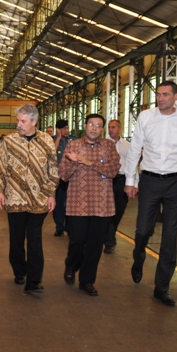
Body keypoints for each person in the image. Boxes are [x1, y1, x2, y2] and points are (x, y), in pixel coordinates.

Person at [124, 80, 177, 306]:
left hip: (176, 182)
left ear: (176, 96)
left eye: (165, 94)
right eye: (158, 94)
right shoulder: (146, 117)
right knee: (143, 230)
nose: (160, 98)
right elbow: (134, 149)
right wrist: (130, 180)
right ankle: (139, 255)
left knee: (170, 235)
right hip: (149, 180)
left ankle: (162, 287)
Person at [0, 104, 59, 293]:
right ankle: (19, 271)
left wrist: (51, 194)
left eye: (23, 121)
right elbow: (0, 167)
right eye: (18, 121)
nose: (19, 124)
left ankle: (34, 281)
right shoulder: (9, 141)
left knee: (35, 240)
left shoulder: (46, 141)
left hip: (39, 200)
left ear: (34, 121)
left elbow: (53, 170)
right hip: (14, 199)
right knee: (16, 240)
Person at [59, 114, 120, 296]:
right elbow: (63, 174)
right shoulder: (73, 145)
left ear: (102, 129)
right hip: (78, 202)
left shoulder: (109, 146)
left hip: (102, 205)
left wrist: (88, 162)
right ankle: (71, 265)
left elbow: (113, 170)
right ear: (85, 126)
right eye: (91, 124)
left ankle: (87, 281)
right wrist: (73, 162)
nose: (94, 128)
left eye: (98, 125)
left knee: (95, 245)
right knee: (77, 240)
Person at [103, 119, 134, 254]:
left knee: (119, 210)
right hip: (107, 179)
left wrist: (133, 184)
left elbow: (132, 165)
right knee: (107, 210)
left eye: (113, 127)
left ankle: (110, 233)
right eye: (109, 127)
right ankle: (109, 241)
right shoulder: (103, 144)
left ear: (120, 129)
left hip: (122, 179)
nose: (111, 130)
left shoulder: (127, 146)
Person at [52, 119, 76, 236]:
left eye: (67, 128)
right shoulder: (52, 140)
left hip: (72, 177)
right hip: (58, 177)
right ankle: (60, 227)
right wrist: (57, 137)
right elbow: (51, 153)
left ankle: (70, 227)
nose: (66, 130)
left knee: (71, 203)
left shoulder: (73, 140)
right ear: (58, 130)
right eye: (64, 128)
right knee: (59, 203)